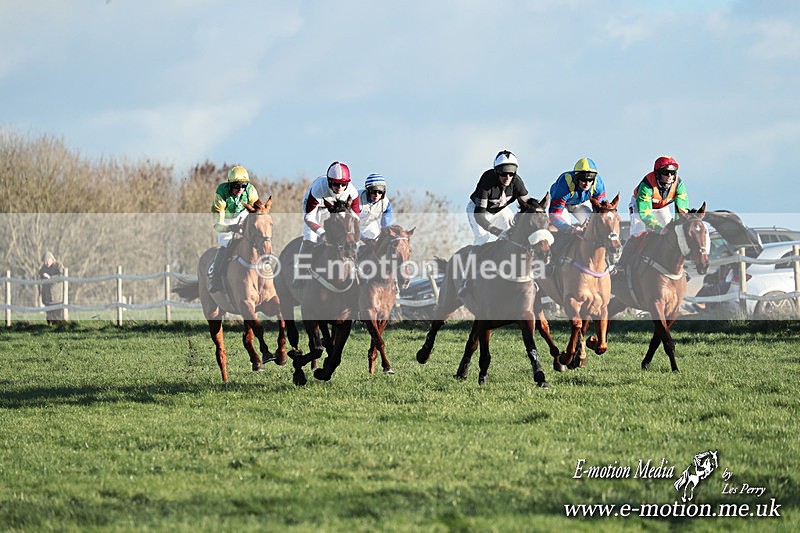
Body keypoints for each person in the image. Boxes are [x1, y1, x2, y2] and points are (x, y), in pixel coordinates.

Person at [294, 161, 361, 289]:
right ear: (330, 182)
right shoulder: (318, 189)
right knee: (310, 238)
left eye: (343, 184)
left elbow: (355, 218)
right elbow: (309, 217)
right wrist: (322, 233)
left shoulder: (352, 192)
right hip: (316, 206)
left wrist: (355, 239)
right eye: (336, 184)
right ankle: (300, 273)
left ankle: (357, 270)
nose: (339, 187)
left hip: (338, 208)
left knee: (352, 239)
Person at [209, 165, 259, 292]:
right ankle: (215, 280)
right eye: (237, 186)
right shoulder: (221, 193)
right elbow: (218, 225)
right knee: (226, 244)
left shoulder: (250, 190)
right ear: (230, 184)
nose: (240, 189)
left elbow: (257, 211)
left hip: (243, 214)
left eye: (243, 186)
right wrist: (232, 227)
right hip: (225, 219)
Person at [467, 150, 532, 245]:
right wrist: (496, 231)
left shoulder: (517, 182)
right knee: (483, 239)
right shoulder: (487, 181)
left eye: (511, 173)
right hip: (478, 212)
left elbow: (529, 207)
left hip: (500, 211)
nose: (507, 177)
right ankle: (472, 258)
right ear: (496, 171)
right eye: (503, 173)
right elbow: (480, 216)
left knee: (514, 235)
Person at [629, 155, 688, 235]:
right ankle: (628, 246)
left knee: (671, 231)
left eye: (672, 172)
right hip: (639, 206)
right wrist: (658, 228)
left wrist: (678, 227)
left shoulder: (679, 185)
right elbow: (645, 213)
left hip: (661, 207)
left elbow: (682, 212)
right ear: (658, 174)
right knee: (638, 232)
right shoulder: (647, 185)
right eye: (666, 172)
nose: (670, 176)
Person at [548, 157, 607, 235]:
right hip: (563, 205)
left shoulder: (598, 184)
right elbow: (554, 215)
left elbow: (600, 210)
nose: (587, 184)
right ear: (576, 178)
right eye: (583, 179)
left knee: (594, 225)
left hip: (580, 203)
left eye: (590, 180)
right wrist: (570, 229)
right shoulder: (564, 184)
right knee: (566, 232)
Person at [358, 173, 393, 241]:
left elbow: (386, 225)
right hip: (353, 226)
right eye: (373, 192)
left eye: (380, 192)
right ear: (368, 191)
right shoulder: (357, 198)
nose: (376, 195)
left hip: (369, 225)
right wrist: (364, 239)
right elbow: (351, 224)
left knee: (376, 243)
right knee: (354, 246)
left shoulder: (385, 203)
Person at [38, 251, 65, 324]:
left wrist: (50, 278)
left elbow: (62, 276)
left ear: (52, 259)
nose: (46, 263)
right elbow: (39, 275)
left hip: (57, 297)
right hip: (47, 296)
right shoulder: (44, 268)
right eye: (44, 261)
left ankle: (58, 329)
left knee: (57, 317)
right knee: (49, 316)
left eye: (47, 261)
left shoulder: (58, 266)